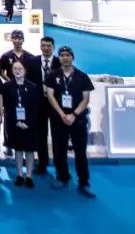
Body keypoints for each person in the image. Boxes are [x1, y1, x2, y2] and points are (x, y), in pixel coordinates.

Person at [45, 46, 95, 198]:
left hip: (77, 119)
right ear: (59, 58)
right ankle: (62, 176)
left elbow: (86, 99)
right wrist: (62, 114)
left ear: (73, 57)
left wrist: (73, 114)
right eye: (62, 55)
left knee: (80, 152)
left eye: (68, 55)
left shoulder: (82, 76)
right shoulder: (53, 75)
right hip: (59, 119)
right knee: (59, 150)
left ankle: (84, 182)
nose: (65, 58)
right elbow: (50, 95)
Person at [4, 60, 41, 188]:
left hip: (29, 124)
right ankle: (20, 174)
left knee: (30, 150)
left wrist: (28, 123)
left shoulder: (33, 86)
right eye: (15, 68)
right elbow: (7, 107)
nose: (17, 71)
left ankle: (29, 175)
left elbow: (36, 107)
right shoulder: (7, 86)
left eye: (20, 68)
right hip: (15, 123)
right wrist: (16, 121)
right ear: (12, 71)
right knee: (18, 150)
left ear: (25, 71)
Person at [34, 36, 60, 176]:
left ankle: (59, 164)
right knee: (40, 135)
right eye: (43, 45)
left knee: (57, 135)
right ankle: (42, 163)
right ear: (40, 46)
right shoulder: (32, 61)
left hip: (56, 103)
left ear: (53, 47)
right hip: (39, 103)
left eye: (49, 46)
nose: (46, 48)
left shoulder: (59, 62)